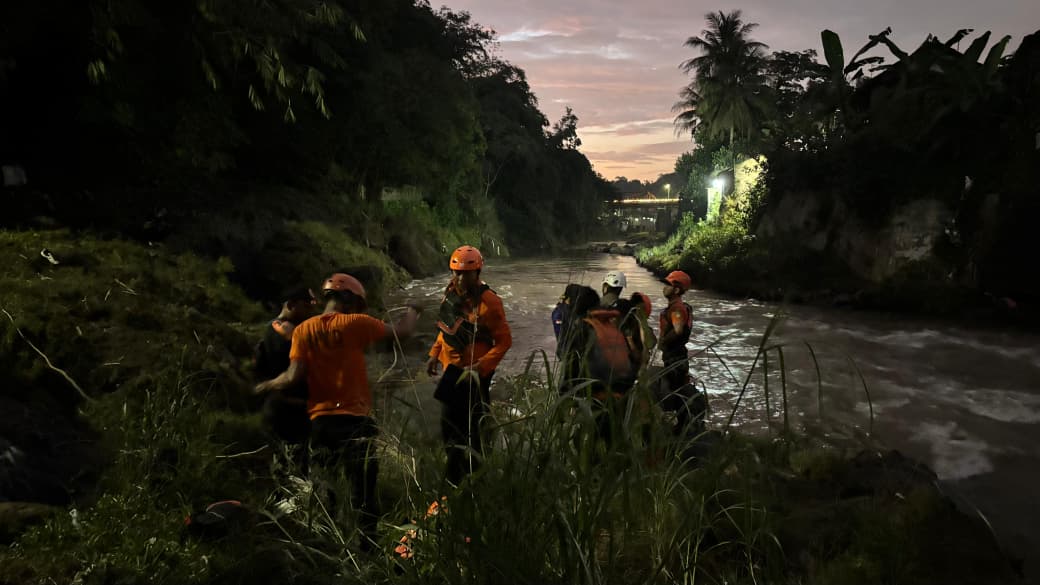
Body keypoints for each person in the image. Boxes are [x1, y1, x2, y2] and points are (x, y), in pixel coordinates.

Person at [255, 272, 420, 549]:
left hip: (320, 424)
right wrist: (413, 310)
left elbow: (292, 376)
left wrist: (265, 386)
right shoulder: (356, 323)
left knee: (324, 491)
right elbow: (402, 331)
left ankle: (327, 546)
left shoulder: (304, 330)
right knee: (363, 493)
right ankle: (367, 550)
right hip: (355, 422)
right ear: (350, 301)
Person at [426, 245, 512, 487]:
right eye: (456, 272)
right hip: (451, 372)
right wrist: (434, 354)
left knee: (475, 429)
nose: (461, 278)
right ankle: (456, 479)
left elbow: (505, 341)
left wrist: (480, 366)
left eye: (466, 273)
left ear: (478, 272)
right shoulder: (450, 295)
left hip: (475, 375)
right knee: (449, 428)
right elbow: (446, 329)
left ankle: (476, 479)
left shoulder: (489, 302)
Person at [254, 287, 316, 446]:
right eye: (307, 306)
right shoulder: (281, 331)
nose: (310, 311)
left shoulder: (295, 331)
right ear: (290, 305)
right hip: (286, 411)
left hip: (299, 411)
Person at [656, 270, 706, 435]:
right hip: (677, 356)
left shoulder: (677, 308)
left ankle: (681, 429)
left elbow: (677, 330)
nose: (664, 288)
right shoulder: (676, 307)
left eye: (668, 285)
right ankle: (683, 426)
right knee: (676, 390)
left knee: (674, 391)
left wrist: (663, 341)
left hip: (675, 357)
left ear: (676, 290)